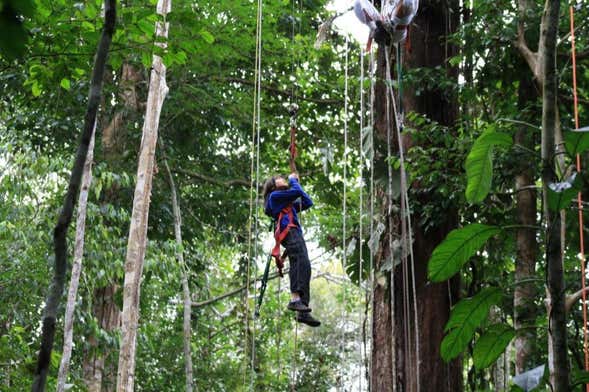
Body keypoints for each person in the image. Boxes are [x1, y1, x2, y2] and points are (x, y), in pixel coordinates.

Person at [263, 173, 321, 327]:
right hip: (289, 232)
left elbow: (307, 201)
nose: (284, 179)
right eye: (279, 178)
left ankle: (303, 309)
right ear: (273, 185)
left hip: (294, 232)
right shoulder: (274, 197)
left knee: (305, 265)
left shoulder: (288, 203)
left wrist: (294, 183)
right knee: (299, 261)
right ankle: (295, 299)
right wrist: (293, 180)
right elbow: (296, 192)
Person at [354, 0, 418, 50]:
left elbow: (407, 6)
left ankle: (391, 25)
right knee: (358, 3)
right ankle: (376, 27)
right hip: (384, 21)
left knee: (407, 4)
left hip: (397, 28)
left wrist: (408, 39)